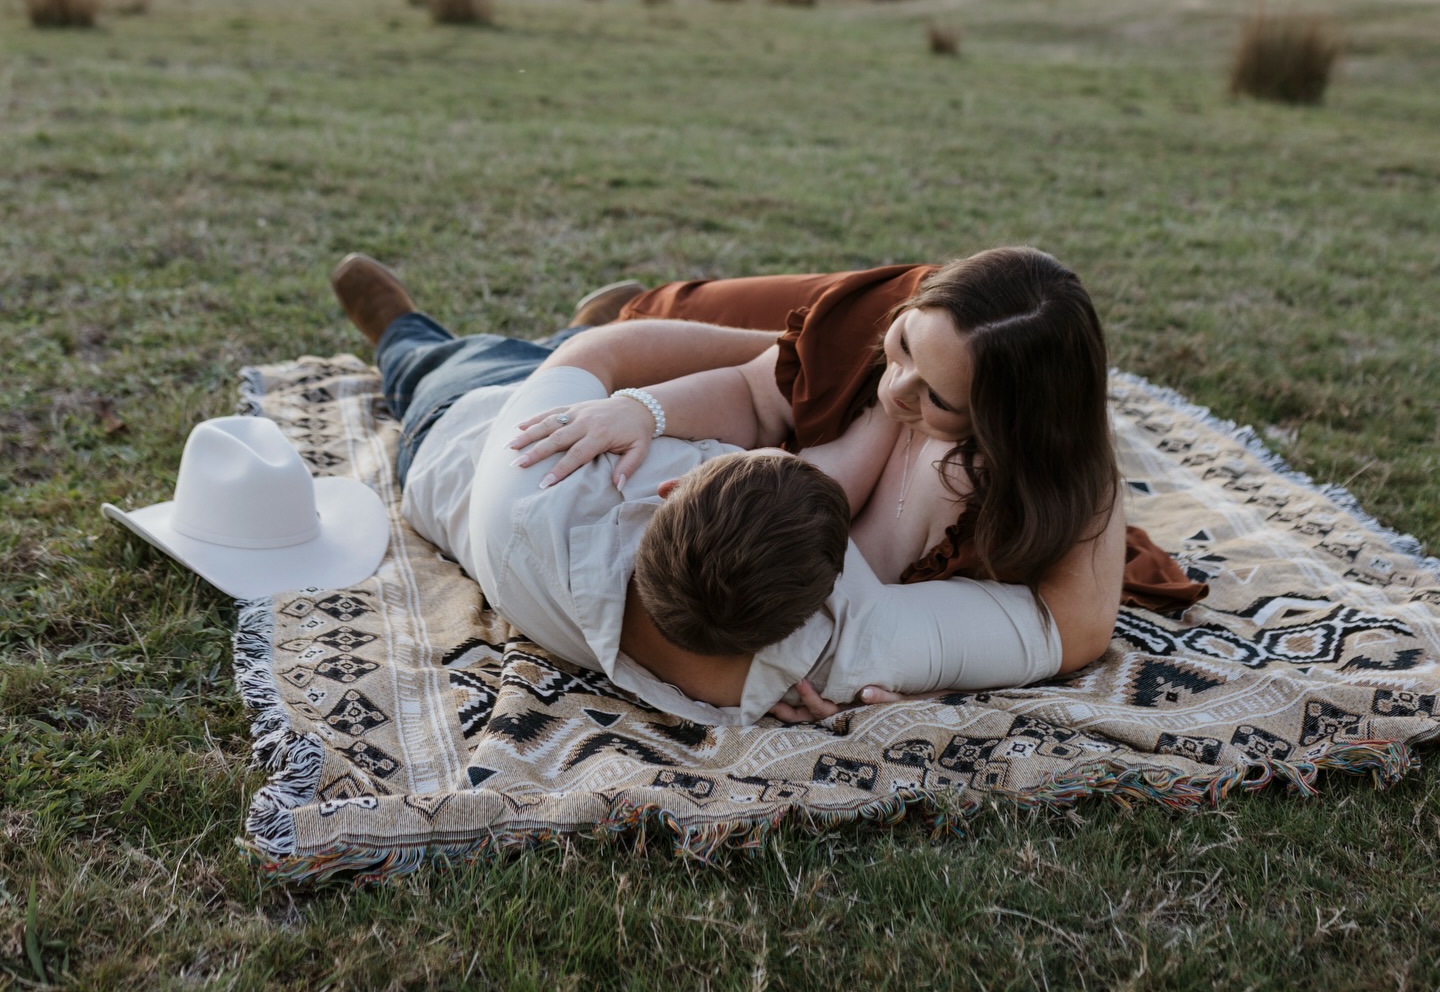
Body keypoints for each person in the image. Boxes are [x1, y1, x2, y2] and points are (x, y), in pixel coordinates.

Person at [331, 254, 1067, 727]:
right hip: (520, 413)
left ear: (673, 486)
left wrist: (640, 396)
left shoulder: (536, 482)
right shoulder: (832, 658)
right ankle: (473, 328)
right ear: (830, 586)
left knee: (451, 365)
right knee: (520, 355)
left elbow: (592, 364)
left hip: (465, 438)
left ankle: (402, 333)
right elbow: (1052, 627)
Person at [511, 250, 1206, 698]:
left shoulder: (1029, 494)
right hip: (821, 329)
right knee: (654, 322)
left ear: (1004, 427)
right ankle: (581, 332)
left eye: (936, 398)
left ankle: (530, 352)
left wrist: (891, 671)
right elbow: (757, 393)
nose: (895, 390)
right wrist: (646, 408)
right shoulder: (897, 330)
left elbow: (1073, 633)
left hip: (970, 396)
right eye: (905, 349)